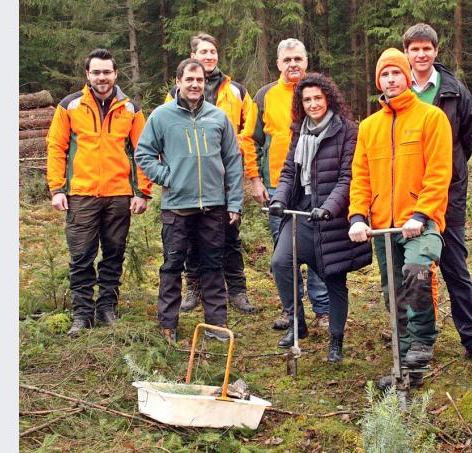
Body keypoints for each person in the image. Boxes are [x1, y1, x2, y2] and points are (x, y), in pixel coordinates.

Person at [348, 48, 452, 389]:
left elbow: (439, 172)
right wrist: (358, 216)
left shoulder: (431, 118)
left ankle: (422, 341)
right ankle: (408, 368)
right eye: (385, 74)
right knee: (393, 294)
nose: (391, 79)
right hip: (382, 225)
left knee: (416, 272)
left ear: (407, 77)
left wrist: (421, 213)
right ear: (378, 81)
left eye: (396, 73)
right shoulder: (369, 127)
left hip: (421, 222)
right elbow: (361, 177)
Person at [135, 58, 244, 343]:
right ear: (178, 81)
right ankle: (168, 324)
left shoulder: (218, 117)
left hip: (213, 206)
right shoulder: (161, 116)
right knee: (172, 265)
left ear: (205, 83)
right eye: (189, 80)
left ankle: (216, 324)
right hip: (177, 206)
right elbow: (143, 153)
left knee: (212, 265)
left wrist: (234, 202)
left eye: (200, 80)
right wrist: (167, 177)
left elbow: (233, 161)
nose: (195, 85)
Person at [46, 48, 152, 336]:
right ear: (87, 74)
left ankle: (107, 308)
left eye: (106, 72)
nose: (101, 77)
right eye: (96, 72)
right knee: (81, 256)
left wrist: (142, 191)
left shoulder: (130, 108)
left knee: (114, 253)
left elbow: (142, 151)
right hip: (81, 194)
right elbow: (56, 147)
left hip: (119, 195)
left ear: (115, 73)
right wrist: (57, 188)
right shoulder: (70, 106)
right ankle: (82, 314)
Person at [267, 73, 372, 361]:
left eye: (318, 98)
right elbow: (289, 171)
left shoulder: (347, 131)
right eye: (307, 99)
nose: (313, 104)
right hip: (302, 212)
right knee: (280, 262)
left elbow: (348, 177)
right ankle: (297, 322)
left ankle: (336, 339)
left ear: (329, 99)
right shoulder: (299, 131)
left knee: (334, 278)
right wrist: (279, 199)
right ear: (300, 103)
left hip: (333, 218)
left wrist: (329, 208)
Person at [402, 23, 472, 364]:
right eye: (415, 49)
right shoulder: (398, 87)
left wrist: (450, 167)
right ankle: (418, 339)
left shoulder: (454, 91)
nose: (421, 54)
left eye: (427, 48)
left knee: (454, 265)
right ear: (406, 53)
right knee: (415, 268)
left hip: (448, 192)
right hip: (408, 195)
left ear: (436, 51)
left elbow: (469, 135)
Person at [163, 32, 256, 315]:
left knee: (230, 235)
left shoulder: (236, 90)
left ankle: (237, 289)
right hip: (191, 179)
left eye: (213, 51)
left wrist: (247, 170)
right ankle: (194, 287)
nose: (209, 56)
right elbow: (166, 134)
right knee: (191, 236)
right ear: (193, 56)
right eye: (203, 51)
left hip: (226, 175)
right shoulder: (175, 93)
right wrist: (171, 176)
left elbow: (249, 133)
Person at [243, 38, 330, 330]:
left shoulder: (318, 92)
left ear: (306, 61)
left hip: (317, 185)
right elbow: (250, 139)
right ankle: (291, 310)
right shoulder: (264, 95)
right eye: (287, 60)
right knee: (283, 251)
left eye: (298, 59)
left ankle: (323, 309)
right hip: (277, 186)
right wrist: (255, 180)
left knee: (318, 247)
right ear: (278, 63)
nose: (293, 64)